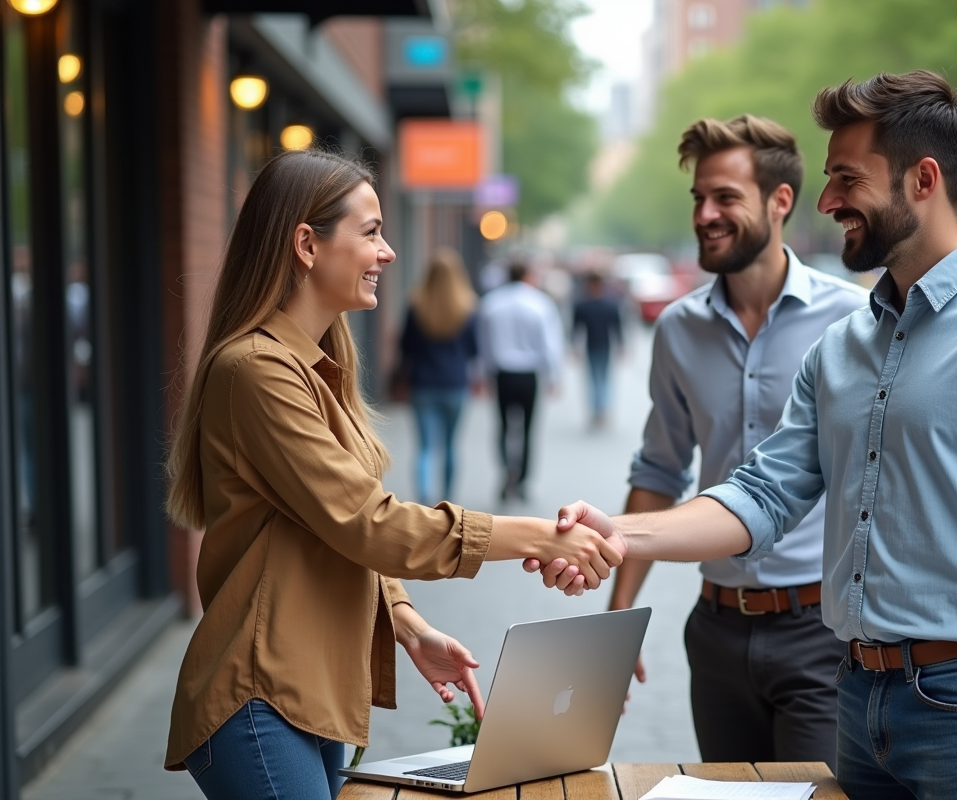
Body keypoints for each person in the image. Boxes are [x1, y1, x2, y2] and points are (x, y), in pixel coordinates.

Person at [539, 71, 957, 800]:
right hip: (857, 695)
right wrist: (619, 532)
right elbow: (762, 494)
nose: (826, 202)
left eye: (847, 178)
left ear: (924, 179)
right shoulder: (842, 348)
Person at [161, 149, 620, 800]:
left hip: (311, 693)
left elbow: (336, 527)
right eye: (371, 231)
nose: (389, 252)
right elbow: (370, 524)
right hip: (259, 694)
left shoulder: (320, 367)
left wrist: (409, 626)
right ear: (306, 245)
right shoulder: (256, 371)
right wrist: (546, 537)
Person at [607, 115, 867, 766]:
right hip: (715, 631)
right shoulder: (677, 330)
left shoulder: (852, 323)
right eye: (698, 198)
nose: (705, 213)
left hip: (821, 631)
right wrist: (617, 620)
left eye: (725, 197)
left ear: (780, 202)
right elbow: (660, 471)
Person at [393, 247, 478, 506]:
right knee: (451, 446)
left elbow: (405, 347)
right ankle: (448, 501)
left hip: (423, 384)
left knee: (425, 447)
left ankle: (424, 499)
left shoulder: (416, 305)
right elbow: (474, 350)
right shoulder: (468, 307)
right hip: (455, 384)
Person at [476, 261, 564, 502]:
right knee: (527, 429)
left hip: (503, 374)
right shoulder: (540, 303)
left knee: (503, 427)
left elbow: (484, 344)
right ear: (527, 275)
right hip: (528, 375)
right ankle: (523, 480)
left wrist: (484, 374)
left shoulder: (491, 303)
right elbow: (550, 344)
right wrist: (554, 375)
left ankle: (507, 473)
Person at [571, 272, 624, 428]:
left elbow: (617, 327)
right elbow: (576, 329)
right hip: (592, 346)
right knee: (595, 378)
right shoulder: (586, 305)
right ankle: (598, 408)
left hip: (604, 346)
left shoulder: (605, 305)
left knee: (602, 378)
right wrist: (574, 347)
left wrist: (621, 345)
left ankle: (601, 407)